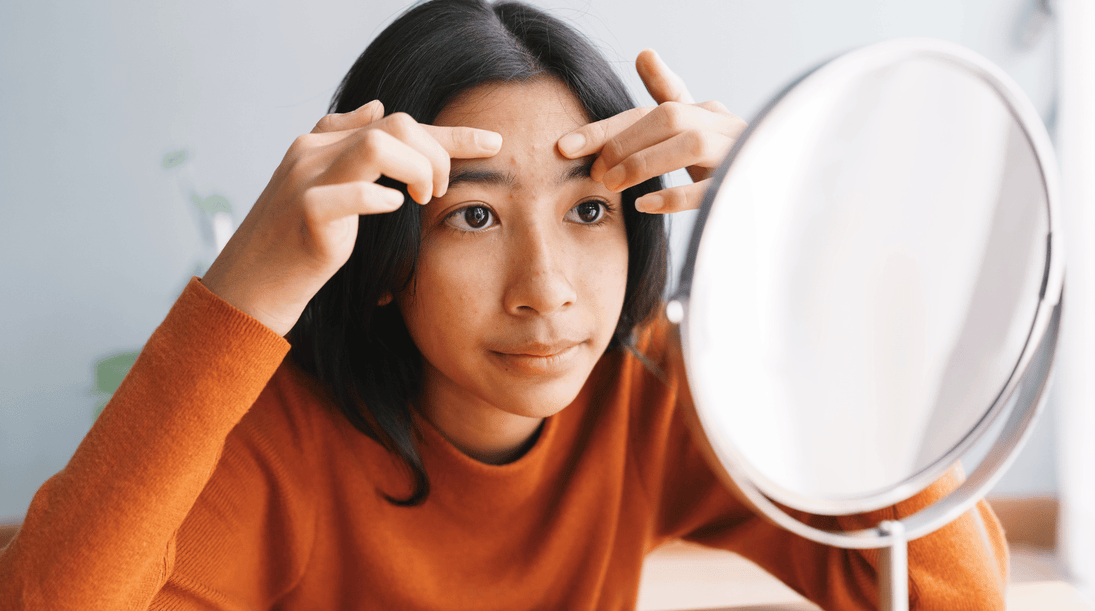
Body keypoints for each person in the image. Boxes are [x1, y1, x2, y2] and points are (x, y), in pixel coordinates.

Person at [0, 0, 1008, 609]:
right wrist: (243, 290)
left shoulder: (649, 381)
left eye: (587, 210)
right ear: (388, 251)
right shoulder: (284, 439)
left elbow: (952, 596)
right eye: (474, 220)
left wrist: (795, 252)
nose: (547, 289)